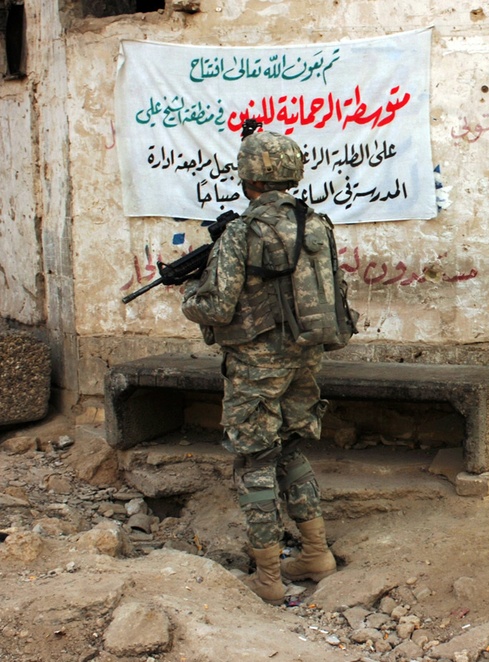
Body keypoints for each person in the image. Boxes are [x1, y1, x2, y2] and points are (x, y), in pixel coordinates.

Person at [179, 130, 339, 604]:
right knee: (289, 446)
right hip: (305, 355)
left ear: (248, 178)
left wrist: (189, 296)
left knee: (254, 458)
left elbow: (216, 307)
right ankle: (315, 552)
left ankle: (268, 577)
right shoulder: (316, 223)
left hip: (256, 362)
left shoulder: (242, 231)